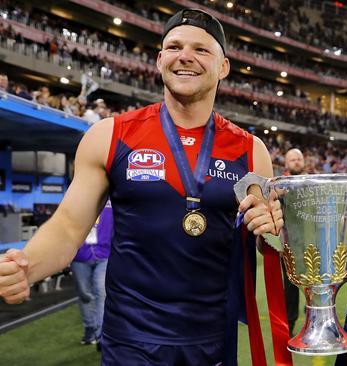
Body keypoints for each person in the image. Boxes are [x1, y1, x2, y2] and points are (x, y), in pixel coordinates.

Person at [0, 9, 283, 365]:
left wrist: (274, 227)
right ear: (160, 59)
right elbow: (69, 226)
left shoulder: (251, 151)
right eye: (175, 46)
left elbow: (269, 240)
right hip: (131, 340)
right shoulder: (110, 135)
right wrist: (26, 266)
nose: (185, 56)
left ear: (223, 67)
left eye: (201, 49)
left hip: (212, 338)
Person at [72, 199, 112, 346]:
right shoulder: (75, 198)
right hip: (80, 255)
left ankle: (101, 333)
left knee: (101, 292)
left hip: (105, 254)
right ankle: (90, 328)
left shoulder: (111, 200)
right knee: (84, 294)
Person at [282, 148, 305, 335]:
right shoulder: (278, 186)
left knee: (317, 283)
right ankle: (289, 328)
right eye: (293, 159)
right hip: (289, 245)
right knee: (290, 289)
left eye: (299, 159)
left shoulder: (312, 184)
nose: (296, 162)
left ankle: (316, 319)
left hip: (311, 243)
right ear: (286, 163)